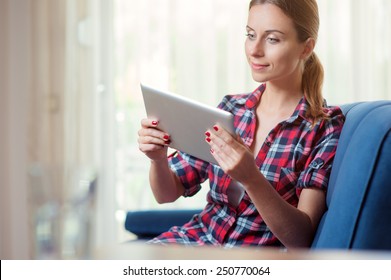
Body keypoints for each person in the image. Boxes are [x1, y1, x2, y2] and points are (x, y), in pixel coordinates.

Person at [137, 0, 344, 249]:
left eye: (272, 39)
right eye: (250, 35)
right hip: (197, 240)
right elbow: (166, 194)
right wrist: (158, 159)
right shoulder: (230, 110)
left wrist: (251, 178)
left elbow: (302, 239)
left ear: (306, 47)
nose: (254, 50)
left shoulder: (323, 127)